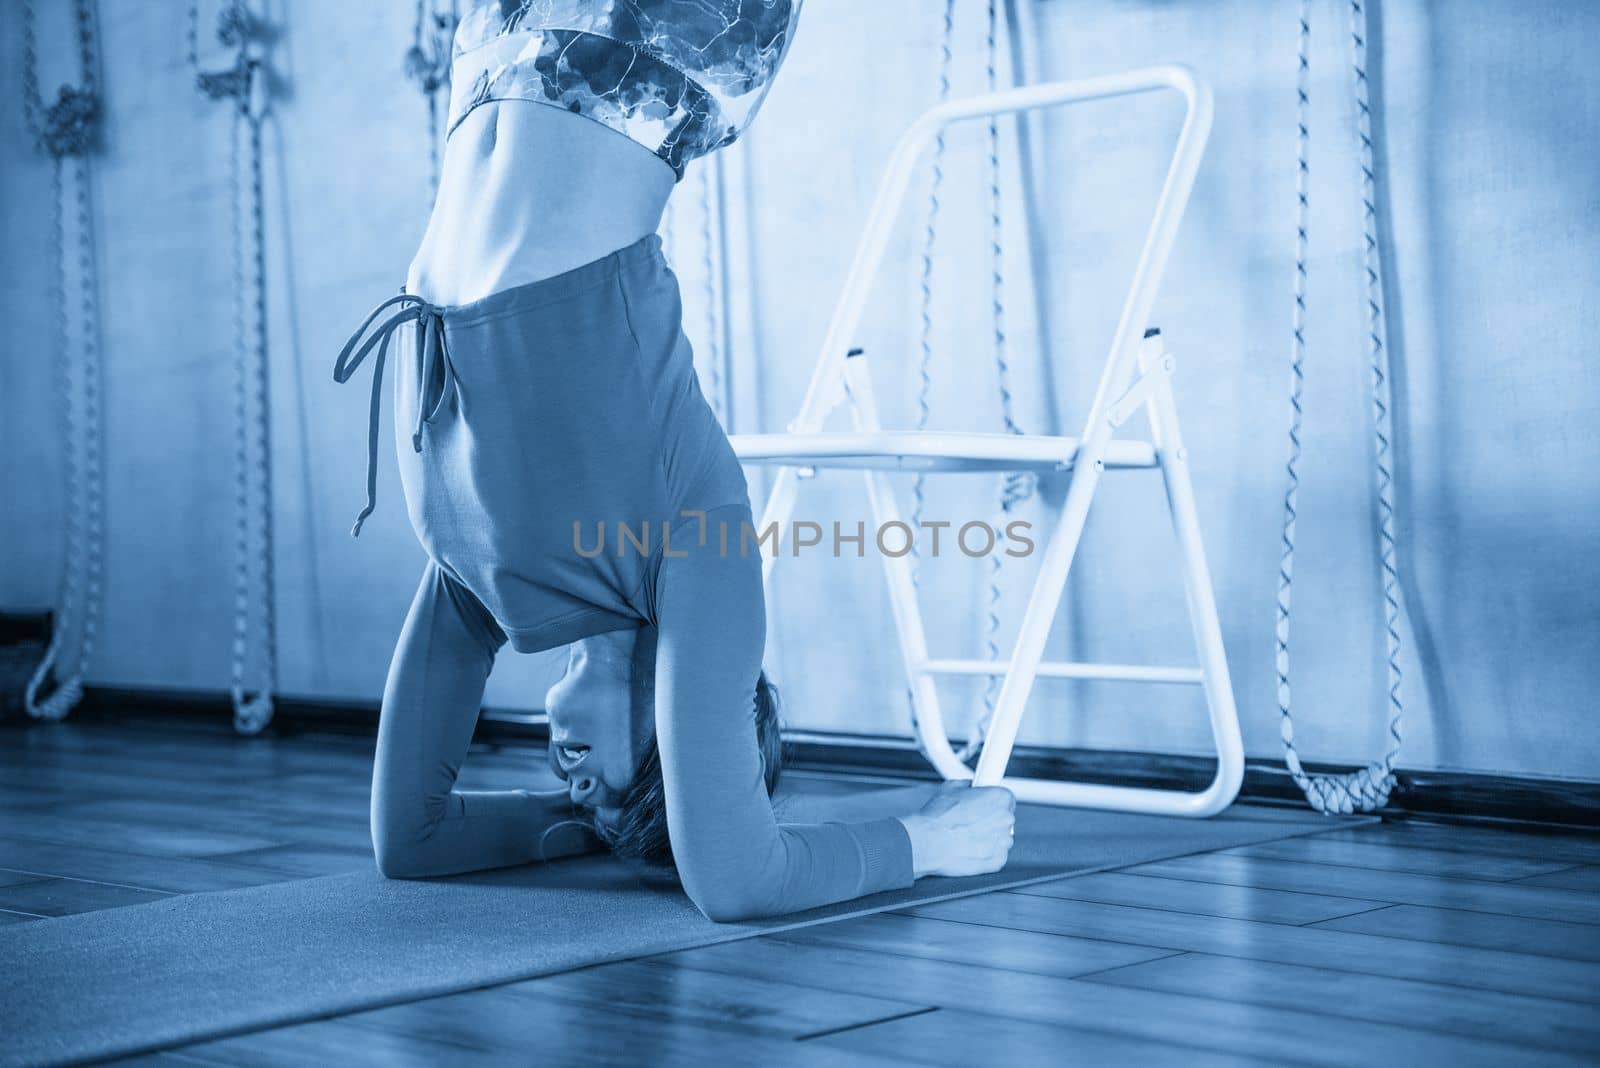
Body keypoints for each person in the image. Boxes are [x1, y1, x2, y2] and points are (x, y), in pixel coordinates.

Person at [336, 0, 1015, 922]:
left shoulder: (485, 581)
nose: (577, 786)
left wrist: (601, 833)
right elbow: (737, 878)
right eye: (619, 794)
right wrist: (925, 844)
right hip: (655, 41)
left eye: (583, 802)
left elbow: (410, 843)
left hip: (499, 44)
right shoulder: (700, 547)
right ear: (679, 736)